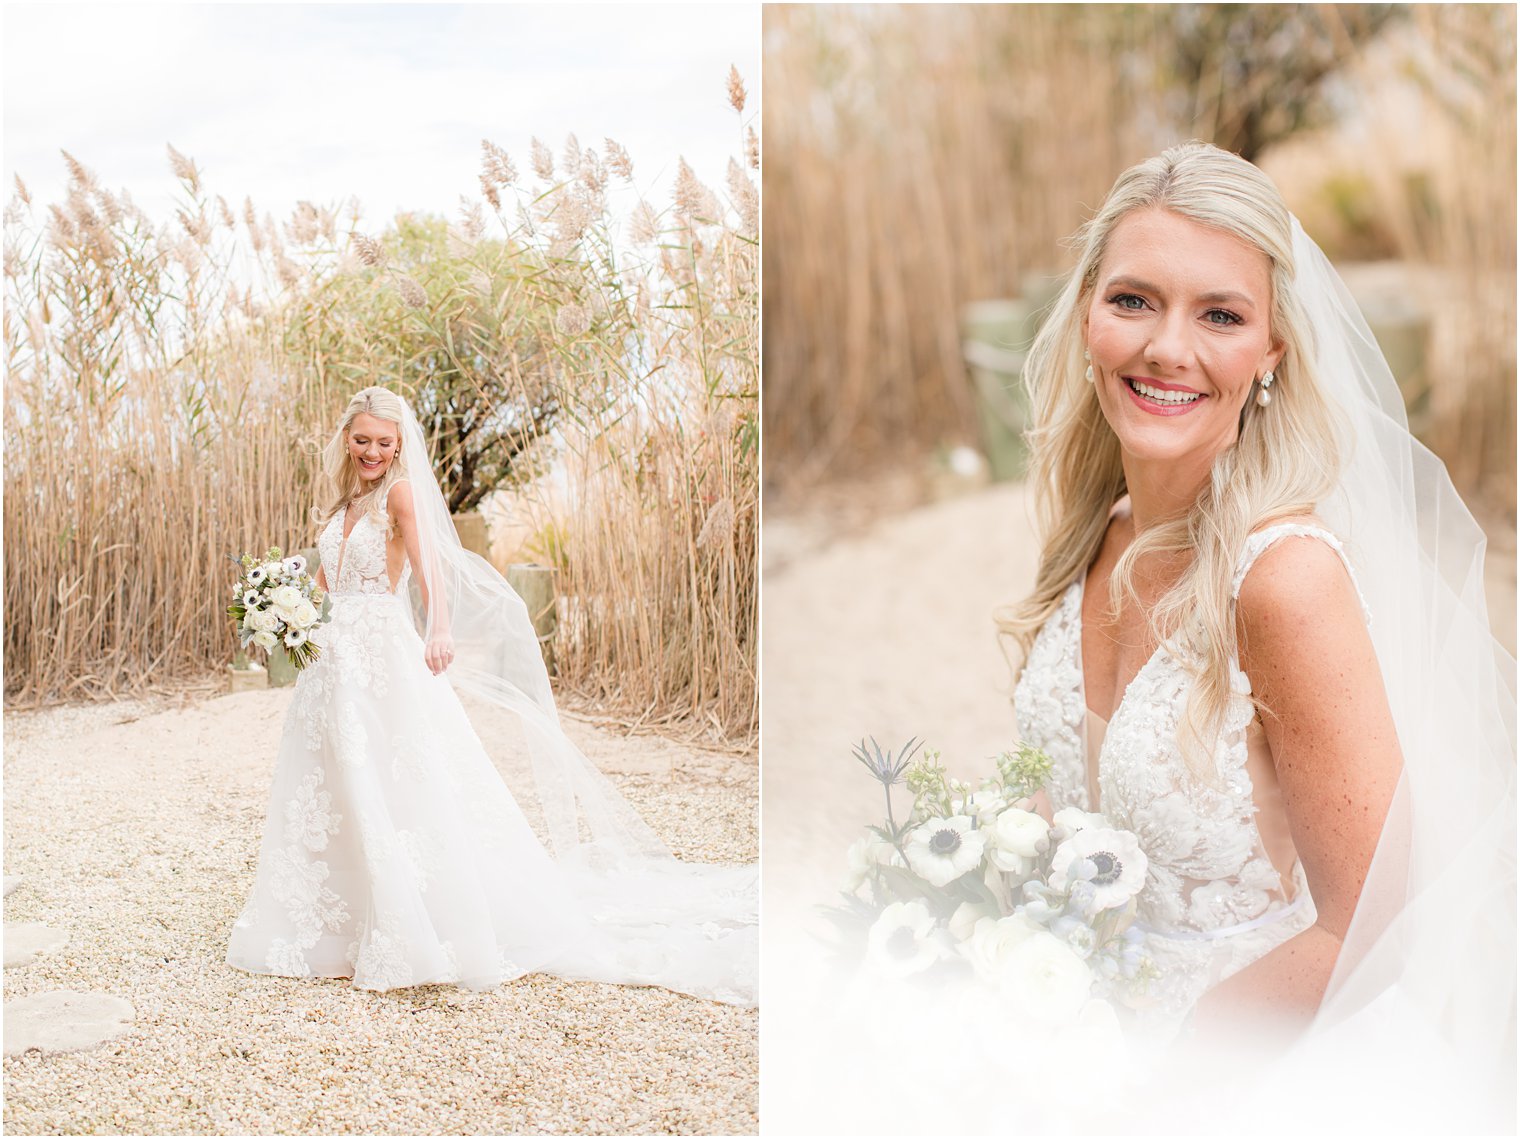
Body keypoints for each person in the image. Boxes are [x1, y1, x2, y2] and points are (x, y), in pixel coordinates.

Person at [1001, 141, 1514, 1127]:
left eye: (1220, 315)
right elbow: (1058, 795)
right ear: (1083, 317)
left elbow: (1374, 924)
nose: (1166, 348)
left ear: (1271, 351)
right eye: (1132, 300)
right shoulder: (1091, 535)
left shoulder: (1283, 583)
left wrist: (1157, 1079)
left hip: (1260, 1075)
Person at [226, 387, 756, 1006]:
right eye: (363, 439)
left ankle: (415, 919)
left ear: (399, 447)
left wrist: (440, 628)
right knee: (333, 781)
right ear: (347, 438)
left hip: (379, 656)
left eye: (385, 443)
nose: (372, 451)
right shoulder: (345, 502)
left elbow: (429, 572)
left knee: (393, 777)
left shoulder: (399, 494)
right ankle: (336, 924)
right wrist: (277, 604)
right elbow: (325, 578)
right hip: (331, 660)